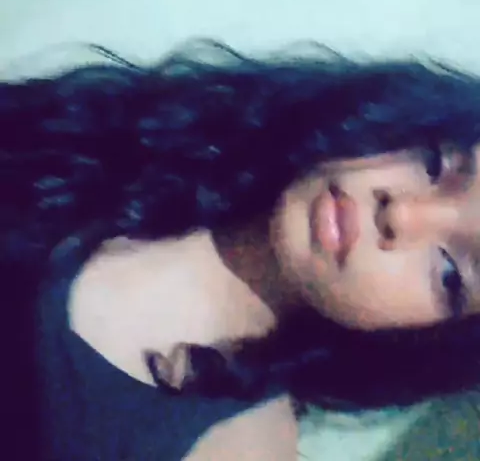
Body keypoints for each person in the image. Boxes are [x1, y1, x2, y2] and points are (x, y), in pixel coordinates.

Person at [2, 39, 480, 460]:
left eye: (450, 274)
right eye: (435, 163)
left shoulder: (231, 450)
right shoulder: (127, 136)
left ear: (430, 339)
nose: (402, 214)